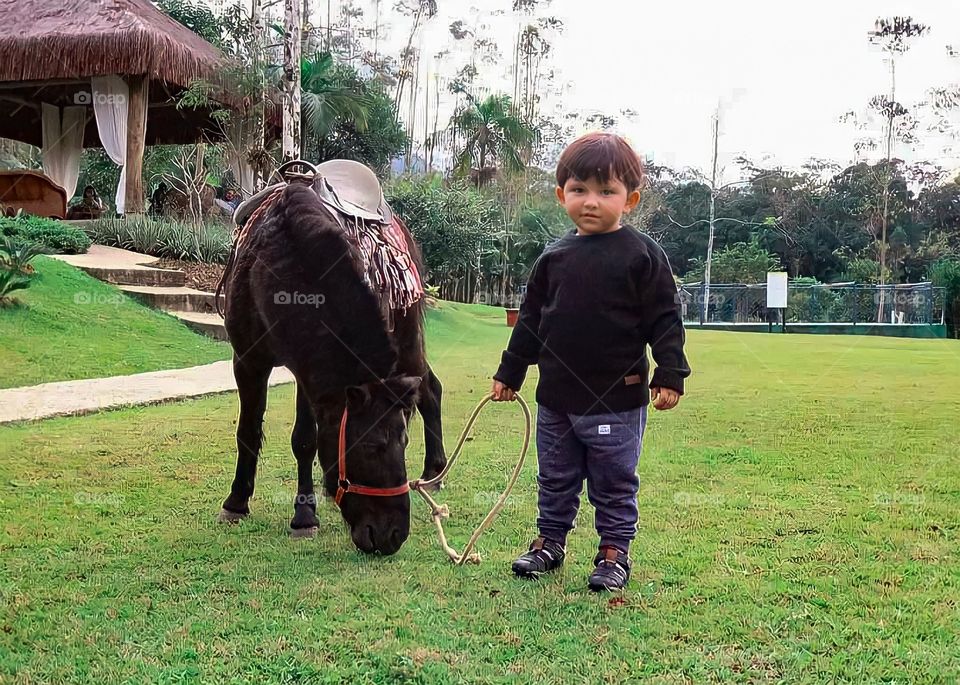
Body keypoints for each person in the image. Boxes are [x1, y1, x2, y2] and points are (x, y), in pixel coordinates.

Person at [489, 132, 691, 592]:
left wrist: (671, 372)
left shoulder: (643, 256)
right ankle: (550, 542)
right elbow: (531, 323)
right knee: (555, 476)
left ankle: (614, 552)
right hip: (557, 398)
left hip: (616, 400)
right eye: (579, 190)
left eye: (607, 191)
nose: (591, 202)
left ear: (631, 198)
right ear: (562, 195)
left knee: (613, 481)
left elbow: (665, 319)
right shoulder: (553, 258)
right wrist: (510, 372)